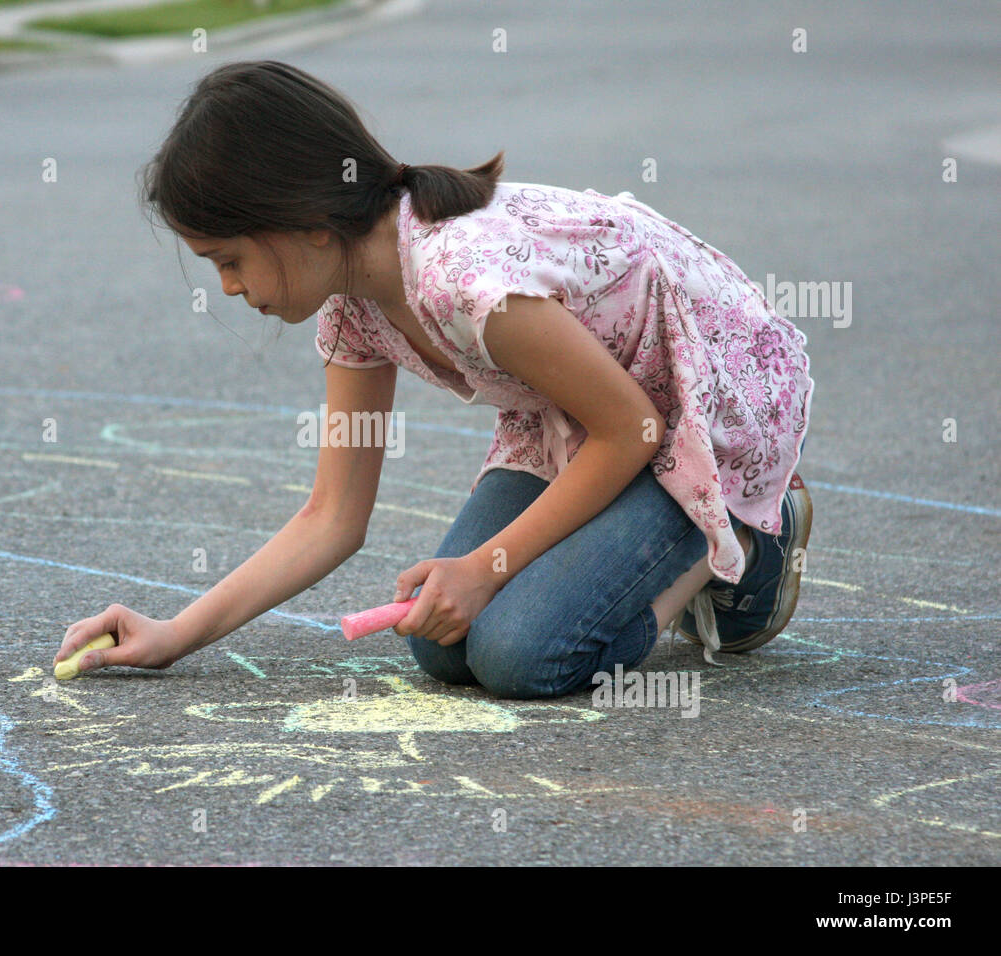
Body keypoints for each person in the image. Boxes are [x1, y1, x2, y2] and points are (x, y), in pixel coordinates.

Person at [54, 60, 815, 699]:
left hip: (697, 408)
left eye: (229, 260)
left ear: (307, 222)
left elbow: (636, 429)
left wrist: (487, 568)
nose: (226, 288)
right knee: (443, 644)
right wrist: (174, 635)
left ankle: (746, 529)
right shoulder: (352, 309)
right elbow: (332, 517)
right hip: (582, 417)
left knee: (523, 654)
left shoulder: (462, 278)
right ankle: (679, 537)